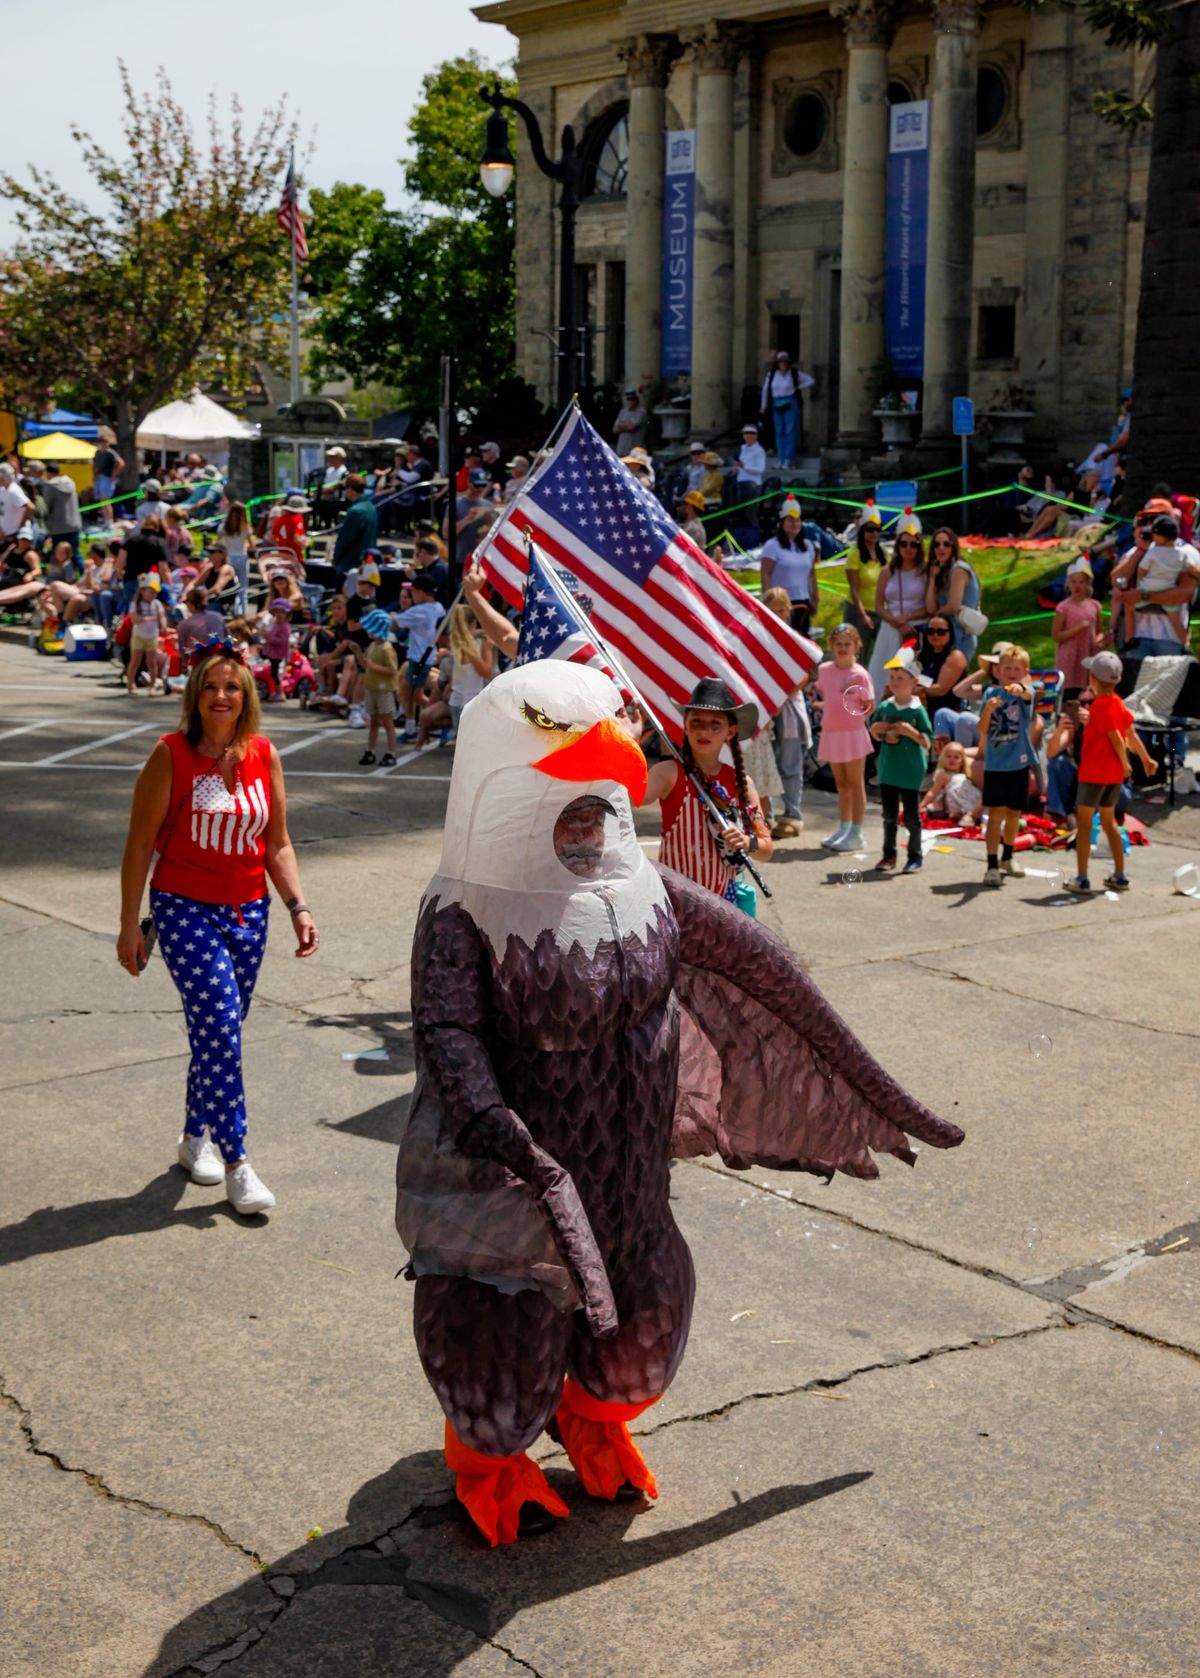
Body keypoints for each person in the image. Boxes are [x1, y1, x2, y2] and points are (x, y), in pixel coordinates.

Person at [116, 640, 319, 1214]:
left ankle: (192, 1138)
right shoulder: (171, 754)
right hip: (184, 908)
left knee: (216, 1033)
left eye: (231, 686)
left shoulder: (264, 755)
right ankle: (238, 1161)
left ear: (247, 694)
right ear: (195, 695)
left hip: (249, 912)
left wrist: (298, 906)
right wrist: (129, 925)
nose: (221, 696)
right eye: (210, 686)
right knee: (222, 1027)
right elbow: (138, 846)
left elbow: (277, 843)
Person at [642, 678, 773, 909]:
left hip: (724, 906)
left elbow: (766, 849)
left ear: (731, 731)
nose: (704, 730)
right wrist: (631, 740)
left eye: (715, 724)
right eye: (697, 722)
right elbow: (634, 797)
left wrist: (746, 842)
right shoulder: (668, 773)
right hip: (677, 904)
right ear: (685, 725)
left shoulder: (742, 783)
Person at [1062, 651, 1157, 895]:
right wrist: (1146, 759)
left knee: (1084, 825)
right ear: (1118, 679)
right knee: (1109, 822)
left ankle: (1082, 878)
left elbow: (1116, 737)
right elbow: (1130, 733)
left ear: (1092, 679)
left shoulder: (1100, 706)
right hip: (1112, 777)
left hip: (1094, 773)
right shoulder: (1117, 702)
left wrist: (1126, 762)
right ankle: (1120, 875)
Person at [978, 644, 1036, 887]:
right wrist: (989, 710)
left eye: (1016, 669)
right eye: (1007, 668)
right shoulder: (989, 695)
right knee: (995, 815)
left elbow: (1028, 694)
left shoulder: (1025, 693)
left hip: (1019, 763)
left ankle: (1008, 857)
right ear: (997, 671)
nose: (1011, 673)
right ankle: (991, 865)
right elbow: (982, 729)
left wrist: (1021, 689)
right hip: (995, 765)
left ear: (1025, 672)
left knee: (1014, 814)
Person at [869, 649, 932, 875]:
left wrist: (911, 733)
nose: (895, 682)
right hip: (889, 768)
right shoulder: (885, 707)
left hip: (910, 770)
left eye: (900, 678)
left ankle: (915, 856)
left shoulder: (917, 710)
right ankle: (889, 854)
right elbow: (875, 731)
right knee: (889, 815)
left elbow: (928, 740)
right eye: (892, 677)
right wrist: (877, 729)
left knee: (912, 817)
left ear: (913, 682)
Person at [815, 623, 874, 852]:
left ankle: (857, 833)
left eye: (847, 644)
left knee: (855, 783)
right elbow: (829, 696)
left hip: (853, 735)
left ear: (856, 646)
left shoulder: (861, 675)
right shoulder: (824, 670)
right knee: (841, 784)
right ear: (831, 645)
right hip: (831, 732)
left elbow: (869, 707)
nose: (842, 648)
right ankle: (845, 827)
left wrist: (857, 707)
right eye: (838, 644)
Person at [760, 587, 810, 836]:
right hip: (765, 706)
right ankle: (764, 814)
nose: (779, 615)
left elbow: (803, 675)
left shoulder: (795, 639)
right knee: (766, 762)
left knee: (790, 764)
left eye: (782, 610)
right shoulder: (759, 640)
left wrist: (779, 701)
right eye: (774, 610)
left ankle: (792, 814)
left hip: (788, 707)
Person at [868, 513, 928, 696]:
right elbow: (879, 606)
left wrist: (907, 619)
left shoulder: (926, 572)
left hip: (915, 631)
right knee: (881, 676)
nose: (908, 548)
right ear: (898, 545)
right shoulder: (887, 571)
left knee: (913, 675)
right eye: (904, 544)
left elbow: (931, 607)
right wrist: (896, 622)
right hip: (890, 629)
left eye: (913, 544)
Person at [393, 575, 447, 741]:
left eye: (414, 592)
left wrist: (391, 615)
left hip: (420, 658)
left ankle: (437, 718)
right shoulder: (438, 607)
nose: (412, 596)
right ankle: (412, 727)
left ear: (422, 592)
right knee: (410, 693)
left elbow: (396, 621)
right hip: (424, 657)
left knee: (414, 695)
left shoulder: (420, 610)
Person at [759, 499, 819, 634]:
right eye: (790, 520)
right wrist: (768, 601)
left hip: (803, 601)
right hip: (780, 603)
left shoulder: (808, 546)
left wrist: (815, 598)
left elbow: (812, 574)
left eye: (797, 520)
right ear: (782, 523)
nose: (794, 524)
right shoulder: (772, 546)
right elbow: (765, 574)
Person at [1052, 558, 1108, 698]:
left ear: (1087, 584)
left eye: (1081, 582)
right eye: (1074, 582)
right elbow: (1056, 635)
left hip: (1088, 653)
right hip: (1070, 656)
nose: (1077, 586)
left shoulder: (1095, 606)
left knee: (1088, 691)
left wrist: (1100, 639)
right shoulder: (1063, 607)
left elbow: (1099, 631)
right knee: (1068, 693)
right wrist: (1077, 629)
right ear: (1068, 584)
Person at [924, 527, 982, 662]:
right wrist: (932, 578)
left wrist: (937, 615)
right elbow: (930, 608)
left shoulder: (959, 568)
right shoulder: (942, 572)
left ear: (953, 547)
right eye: (936, 544)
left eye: (946, 544)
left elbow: (954, 606)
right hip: (943, 635)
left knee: (953, 672)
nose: (941, 548)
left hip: (961, 634)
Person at [355, 607, 401, 767]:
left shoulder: (387, 648)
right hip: (372, 688)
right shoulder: (372, 646)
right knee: (373, 721)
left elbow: (392, 670)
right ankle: (371, 750)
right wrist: (358, 653)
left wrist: (373, 666)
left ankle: (391, 752)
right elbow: (365, 664)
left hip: (384, 690)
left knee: (387, 721)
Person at [917, 616, 972, 747]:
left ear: (950, 633)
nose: (935, 635)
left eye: (941, 632)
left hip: (946, 713)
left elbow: (941, 689)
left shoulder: (955, 656)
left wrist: (916, 689)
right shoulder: (921, 655)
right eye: (930, 631)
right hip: (923, 709)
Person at [760, 350, 814, 470]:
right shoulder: (772, 374)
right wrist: (763, 405)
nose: (783, 364)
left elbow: (810, 380)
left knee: (790, 431)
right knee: (779, 432)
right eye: (781, 362)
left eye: (785, 362)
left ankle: (789, 460)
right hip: (776, 403)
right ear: (777, 363)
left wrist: (798, 387)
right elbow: (765, 389)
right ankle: (781, 459)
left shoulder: (794, 373)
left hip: (790, 402)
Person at [844, 504, 884, 642]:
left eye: (878, 529)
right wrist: (863, 615)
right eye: (870, 529)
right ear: (862, 531)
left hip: (880, 612)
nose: (874, 533)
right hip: (858, 612)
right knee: (858, 651)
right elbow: (854, 589)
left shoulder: (884, 554)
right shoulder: (855, 554)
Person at [331, 474, 379, 582]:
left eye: (345, 488)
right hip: (367, 562)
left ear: (351, 488)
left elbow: (345, 539)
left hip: (350, 565)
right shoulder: (371, 507)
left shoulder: (356, 511)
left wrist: (335, 559)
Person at [921, 740, 982, 823]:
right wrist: (921, 806)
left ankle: (971, 815)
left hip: (971, 800)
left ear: (962, 762)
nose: (952, 759)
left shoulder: (965, 775)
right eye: (948, 756)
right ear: (942, 758)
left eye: (956, 757)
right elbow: (933, 792)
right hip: (959, 803)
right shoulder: (942, 773)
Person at [127, 578, 168, 695]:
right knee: (135, 660)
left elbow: (162, 616)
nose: (154, 595)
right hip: (138, 636)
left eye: (155, 593)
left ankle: (152, 685)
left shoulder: (157, 604)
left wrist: (164, 626)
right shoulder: (135, 604)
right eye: (151, 592)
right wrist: (149, 618)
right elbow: (134, 619)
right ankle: (131, 683)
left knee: (151, 661)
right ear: (142, 591)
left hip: (152, 635)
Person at [451, 467, 494, 572]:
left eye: (483, 486)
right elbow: (447, 534)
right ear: (468, 483)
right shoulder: (457, 504)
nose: (479, 489)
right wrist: (467, 519)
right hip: (461, 559)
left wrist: (489, 521)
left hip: (482, 559)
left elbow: (493, 534)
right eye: (476, 485)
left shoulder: (488, 505)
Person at [40, 463, 84, 565]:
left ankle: (58, 573)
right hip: (74, 525)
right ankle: (82, 572)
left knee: (58, 555)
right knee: (75, 553)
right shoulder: (70, 482)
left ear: (48, 473)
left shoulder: (50, 486)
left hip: (58, 527)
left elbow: (46, 507)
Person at [221, 502, 256, 615]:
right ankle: (242, 614)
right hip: (242, 558)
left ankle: (235, 611)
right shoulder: (246, 527)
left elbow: (219, 543)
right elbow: (252, 547)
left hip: (229, 559)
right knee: (243, 589)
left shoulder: (224, 526)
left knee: (233, 587)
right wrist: (245, 545)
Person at [176, 585, 226, 658]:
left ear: (190, 604)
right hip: (221, 659)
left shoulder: (183, 625)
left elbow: (184, 654)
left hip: (201, 662)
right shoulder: (218, 616)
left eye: (186, 602)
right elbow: (227, 640)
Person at [259, 598, 293, 697]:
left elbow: (282, 641)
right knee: (271, 672)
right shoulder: (275, 622)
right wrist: (265, 633)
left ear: (287, 614)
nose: (279, 614)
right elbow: (272, 634)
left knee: (276, 673)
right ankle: (274, 690)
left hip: (278, 654)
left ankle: (280, 693)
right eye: (277, 611)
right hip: (272, 652)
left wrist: (268, 636)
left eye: (282, 612)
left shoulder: (285, 627)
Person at [266, 492, 309, 566]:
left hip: (282, 555)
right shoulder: (298, 519)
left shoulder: (281, 519)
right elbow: (296, 539)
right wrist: (306, 544)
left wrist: (281, 545)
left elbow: (273, 538)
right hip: (295, 555)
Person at [93, 428, 125, 513]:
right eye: (102, 442)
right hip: (99, 478)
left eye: (105, 442)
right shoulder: (97, 452)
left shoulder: (110, 453)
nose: (104, 444)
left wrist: (114, 474)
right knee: (101, 500)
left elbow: (121, 463)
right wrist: (94, 475)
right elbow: (95, 465)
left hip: (107, 478)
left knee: (106, 500)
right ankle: (106, 519)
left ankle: (109, 519)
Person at [0, 463, 32, 539]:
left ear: (2, 478)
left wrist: (20, 526)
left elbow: (30, 507)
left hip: (13, 534)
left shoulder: (13, 490)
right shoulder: (3, 489)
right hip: (5, 534)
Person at [612, 387, 648, 452]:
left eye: (633, 399)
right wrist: (627, 425)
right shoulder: (623, 411)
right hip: (622, 450)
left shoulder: (641, 412)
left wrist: (620, 425)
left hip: (636, 451)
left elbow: (632, 427)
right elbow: (615, 430)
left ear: (637, 399)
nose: (631, 401)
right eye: (628, 399)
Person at [733, 423, 766, 495]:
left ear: (756, 435)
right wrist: (737, 468)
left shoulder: (759, 450)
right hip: (741, 483)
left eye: (752, 433)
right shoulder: (743, 448)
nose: (749, 435)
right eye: (746, 433)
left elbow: (760, 469)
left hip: (753, 485)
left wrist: (744, 467)